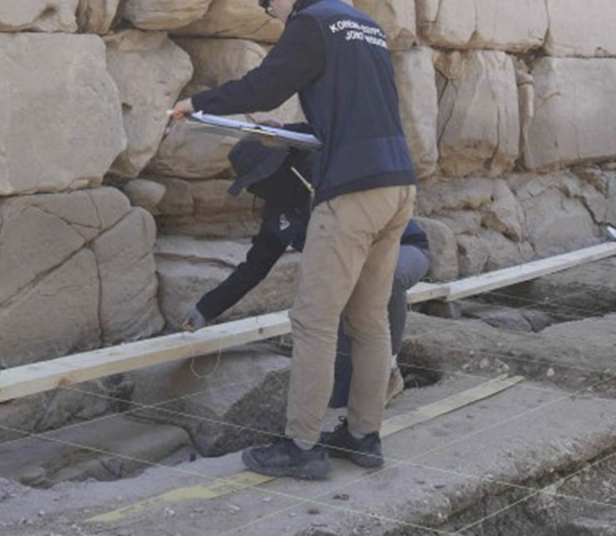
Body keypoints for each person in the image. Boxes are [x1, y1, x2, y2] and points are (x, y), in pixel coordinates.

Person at [171, 0, 417, 479]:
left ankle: (302, 448)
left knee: (314, 319)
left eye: (271, 8)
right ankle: (363, 436)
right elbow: (356, 109)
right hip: (397, 182)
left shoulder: (311, 23)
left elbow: (266, 84)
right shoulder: (364, 24)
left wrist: (201, 103)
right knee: (369, 319)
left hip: (350, 189)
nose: (276, 17)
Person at [182, 139, 431, 409]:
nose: (257, 190)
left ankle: (389, 371)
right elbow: (253, 269)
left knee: (380, 280)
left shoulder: (332, 177)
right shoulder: (278, 217)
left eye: (259, 181)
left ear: (279, 170)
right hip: (350, 282)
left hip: (406, 249)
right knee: (339, 397)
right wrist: (206, 308)